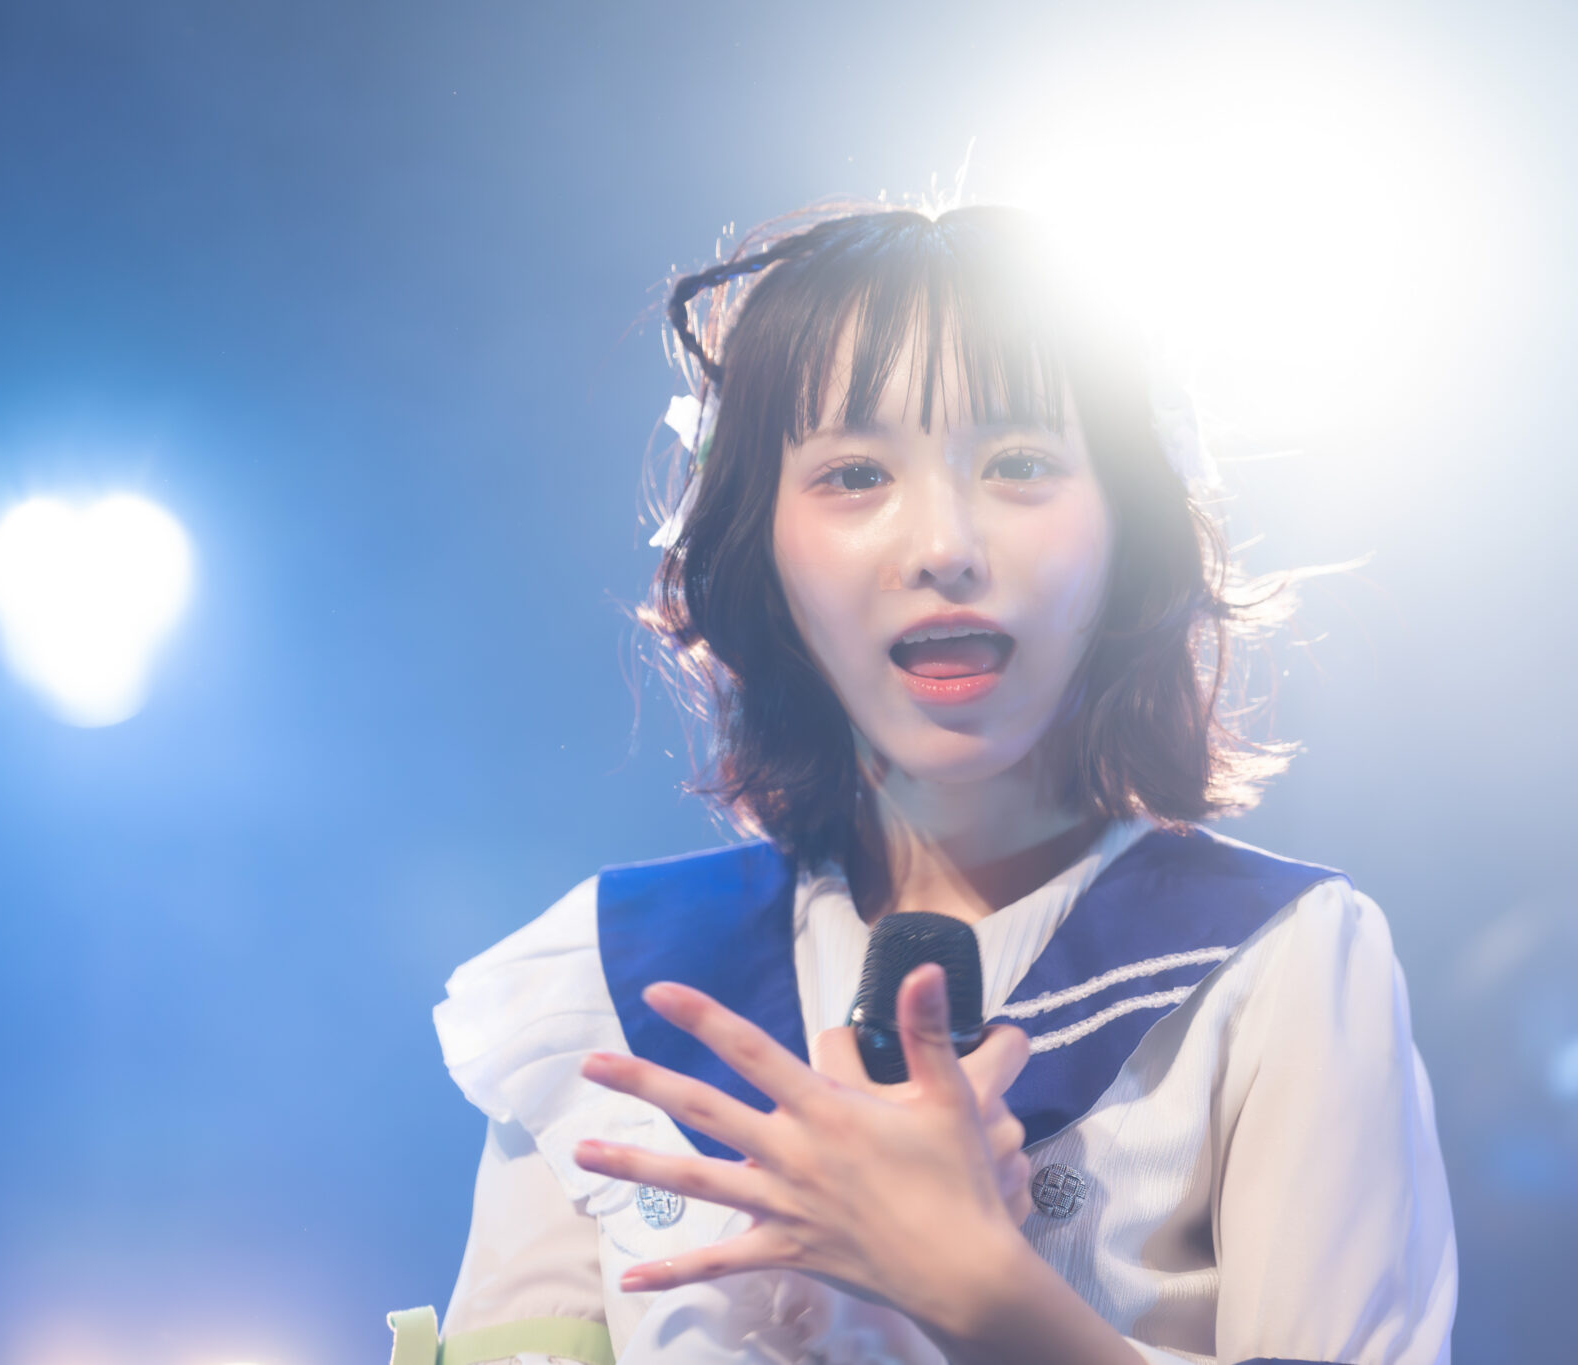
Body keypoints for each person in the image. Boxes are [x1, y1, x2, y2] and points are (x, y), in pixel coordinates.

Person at [386, 204, 1456, 1365]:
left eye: (1020, 465)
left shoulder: (1279, 964)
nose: (943, 544)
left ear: (1126, 530)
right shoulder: (606, 983)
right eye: (853, 474)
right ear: (759, 549)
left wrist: (980, 1291)